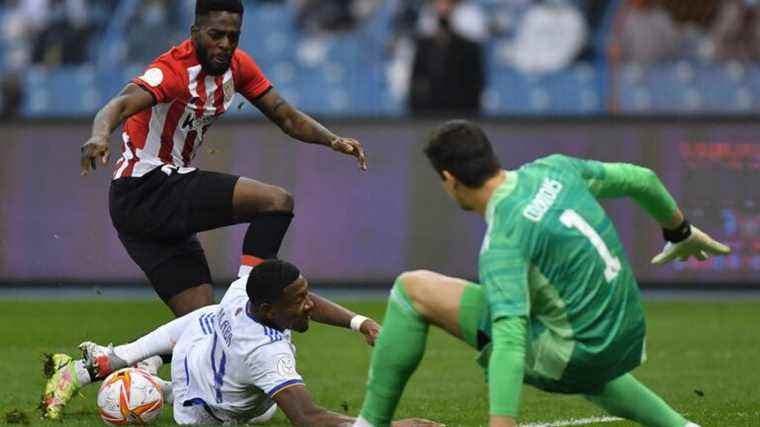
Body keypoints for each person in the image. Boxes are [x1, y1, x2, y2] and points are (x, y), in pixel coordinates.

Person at [42, 0, 367, 419]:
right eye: (216, 35)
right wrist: (99, 135)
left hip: (146, 210)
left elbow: (285, 115)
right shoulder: (171, 70)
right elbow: (118, 105)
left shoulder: (238, 67)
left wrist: (333, 140)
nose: (225, 44)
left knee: (202, 330)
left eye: (233, 36)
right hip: (146, 187)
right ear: (195, 31)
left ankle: (88, 369)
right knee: (275, 202)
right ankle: (244, 292)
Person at [353, 120, 731, 427]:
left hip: (575, 357)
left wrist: (502, 421)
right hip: (628, 330)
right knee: (571, 328)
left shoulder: (505, 239)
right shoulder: (555, 169)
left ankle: (368, 426)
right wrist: (679, 232)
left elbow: (511, 342)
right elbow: (643, 180)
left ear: (450, 179)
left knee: (411, 289)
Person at [52, 260, 435, 426]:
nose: (309, 304)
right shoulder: (266, 354)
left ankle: (123, 362)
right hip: (205, 412)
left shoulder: (242, 291)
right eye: (299, 300)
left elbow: (301, 298)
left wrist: (360, 322)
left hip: (198, 348)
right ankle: (139, 375)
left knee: (202, 318)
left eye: (307, 293)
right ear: (269, 310)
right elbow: (308, 419)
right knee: (260, 411)